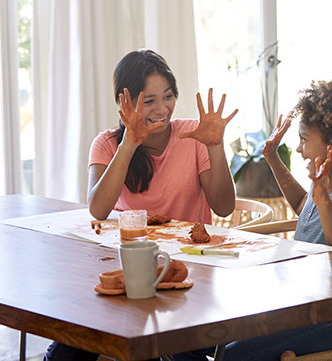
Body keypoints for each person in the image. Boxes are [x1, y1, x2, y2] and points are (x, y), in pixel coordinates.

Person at [174, 79, 332, 361]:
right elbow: (302, 205)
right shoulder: (322, 191)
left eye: (304, 139)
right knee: (186, 340)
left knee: (233, 355)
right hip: (300, 307)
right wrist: (272, 158)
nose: (300, 149)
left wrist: (323, 201)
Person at [44, 48, 237, 361]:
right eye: (149, 101)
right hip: (128, 273)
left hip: (187, 278)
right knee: (72, 344)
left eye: (169, 96)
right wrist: (129, 143)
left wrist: (215, 147)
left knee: (169, 349)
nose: (162, 109)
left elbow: (224, 206)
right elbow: (98, 209)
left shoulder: (194, 135)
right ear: (126, 102)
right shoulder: (108, 143)